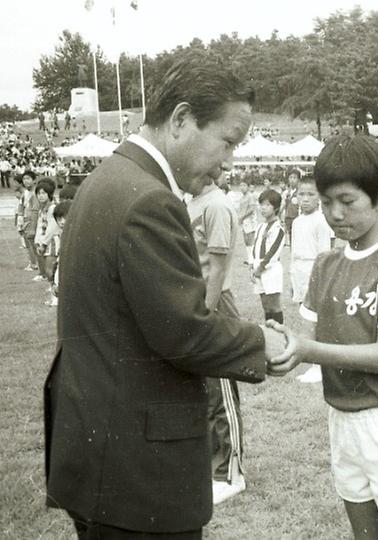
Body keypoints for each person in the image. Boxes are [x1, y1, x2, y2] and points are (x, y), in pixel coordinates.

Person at [44, 59, 286, 538]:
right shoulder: (149, 200)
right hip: (137, 471)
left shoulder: (108, 179)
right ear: (180, 119)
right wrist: (265, 343)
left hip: (101, 454)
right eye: (228, 141)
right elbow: (185, 332)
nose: (230, 161)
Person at [269, 135, 378, 540]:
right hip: (342, 422)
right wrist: (274, 349)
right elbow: (305, 344)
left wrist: (305, 349)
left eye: (347, 202)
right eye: (327, 201)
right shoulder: (325, 264)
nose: (335, 213)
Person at [186, 173, 250, 505]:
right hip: (194, 302)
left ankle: (231, 473)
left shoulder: (217, 206)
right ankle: (213, 465)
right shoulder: (190, 202)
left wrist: (206, 313)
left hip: (213, 304)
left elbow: (219, 268)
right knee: (202, 393)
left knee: (220, 391)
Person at [291, 175, 334, 384]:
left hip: (314, 269)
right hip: (299, 269)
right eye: (301, 194)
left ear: (319, 197)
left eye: (310, 194)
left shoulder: (321, 221)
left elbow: (324, 254)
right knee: (305, 315)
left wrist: (320, 278)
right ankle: (312, 362)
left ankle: (320, 364)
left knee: (317, 317)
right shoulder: (297, 221)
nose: (305, 199)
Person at [252, 188, 285, 324]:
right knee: (265, 305)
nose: (263, 208)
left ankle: (279, 334)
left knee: (274, 305)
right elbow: (255, 248)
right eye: (261, 204)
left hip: (270, 270)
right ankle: (269, 332)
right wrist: (252, 267)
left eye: (267, 205)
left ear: (276, 208)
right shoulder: (260, 227)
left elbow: (272, 252)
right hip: (258, 269)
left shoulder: (278, 229)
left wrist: (261, 267)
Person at [20, 170, 40, 272]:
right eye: (24, 179)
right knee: (28, 243)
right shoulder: (25, 192)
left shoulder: (35, 193)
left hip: (32, 220)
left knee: (32, 243)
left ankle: (34, 264)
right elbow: (22, 206)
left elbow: (35, 210)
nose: (26, 181)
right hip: (26, 219)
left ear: (34, 180)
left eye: (28, 179)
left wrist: (32, 225)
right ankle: (33, 262)